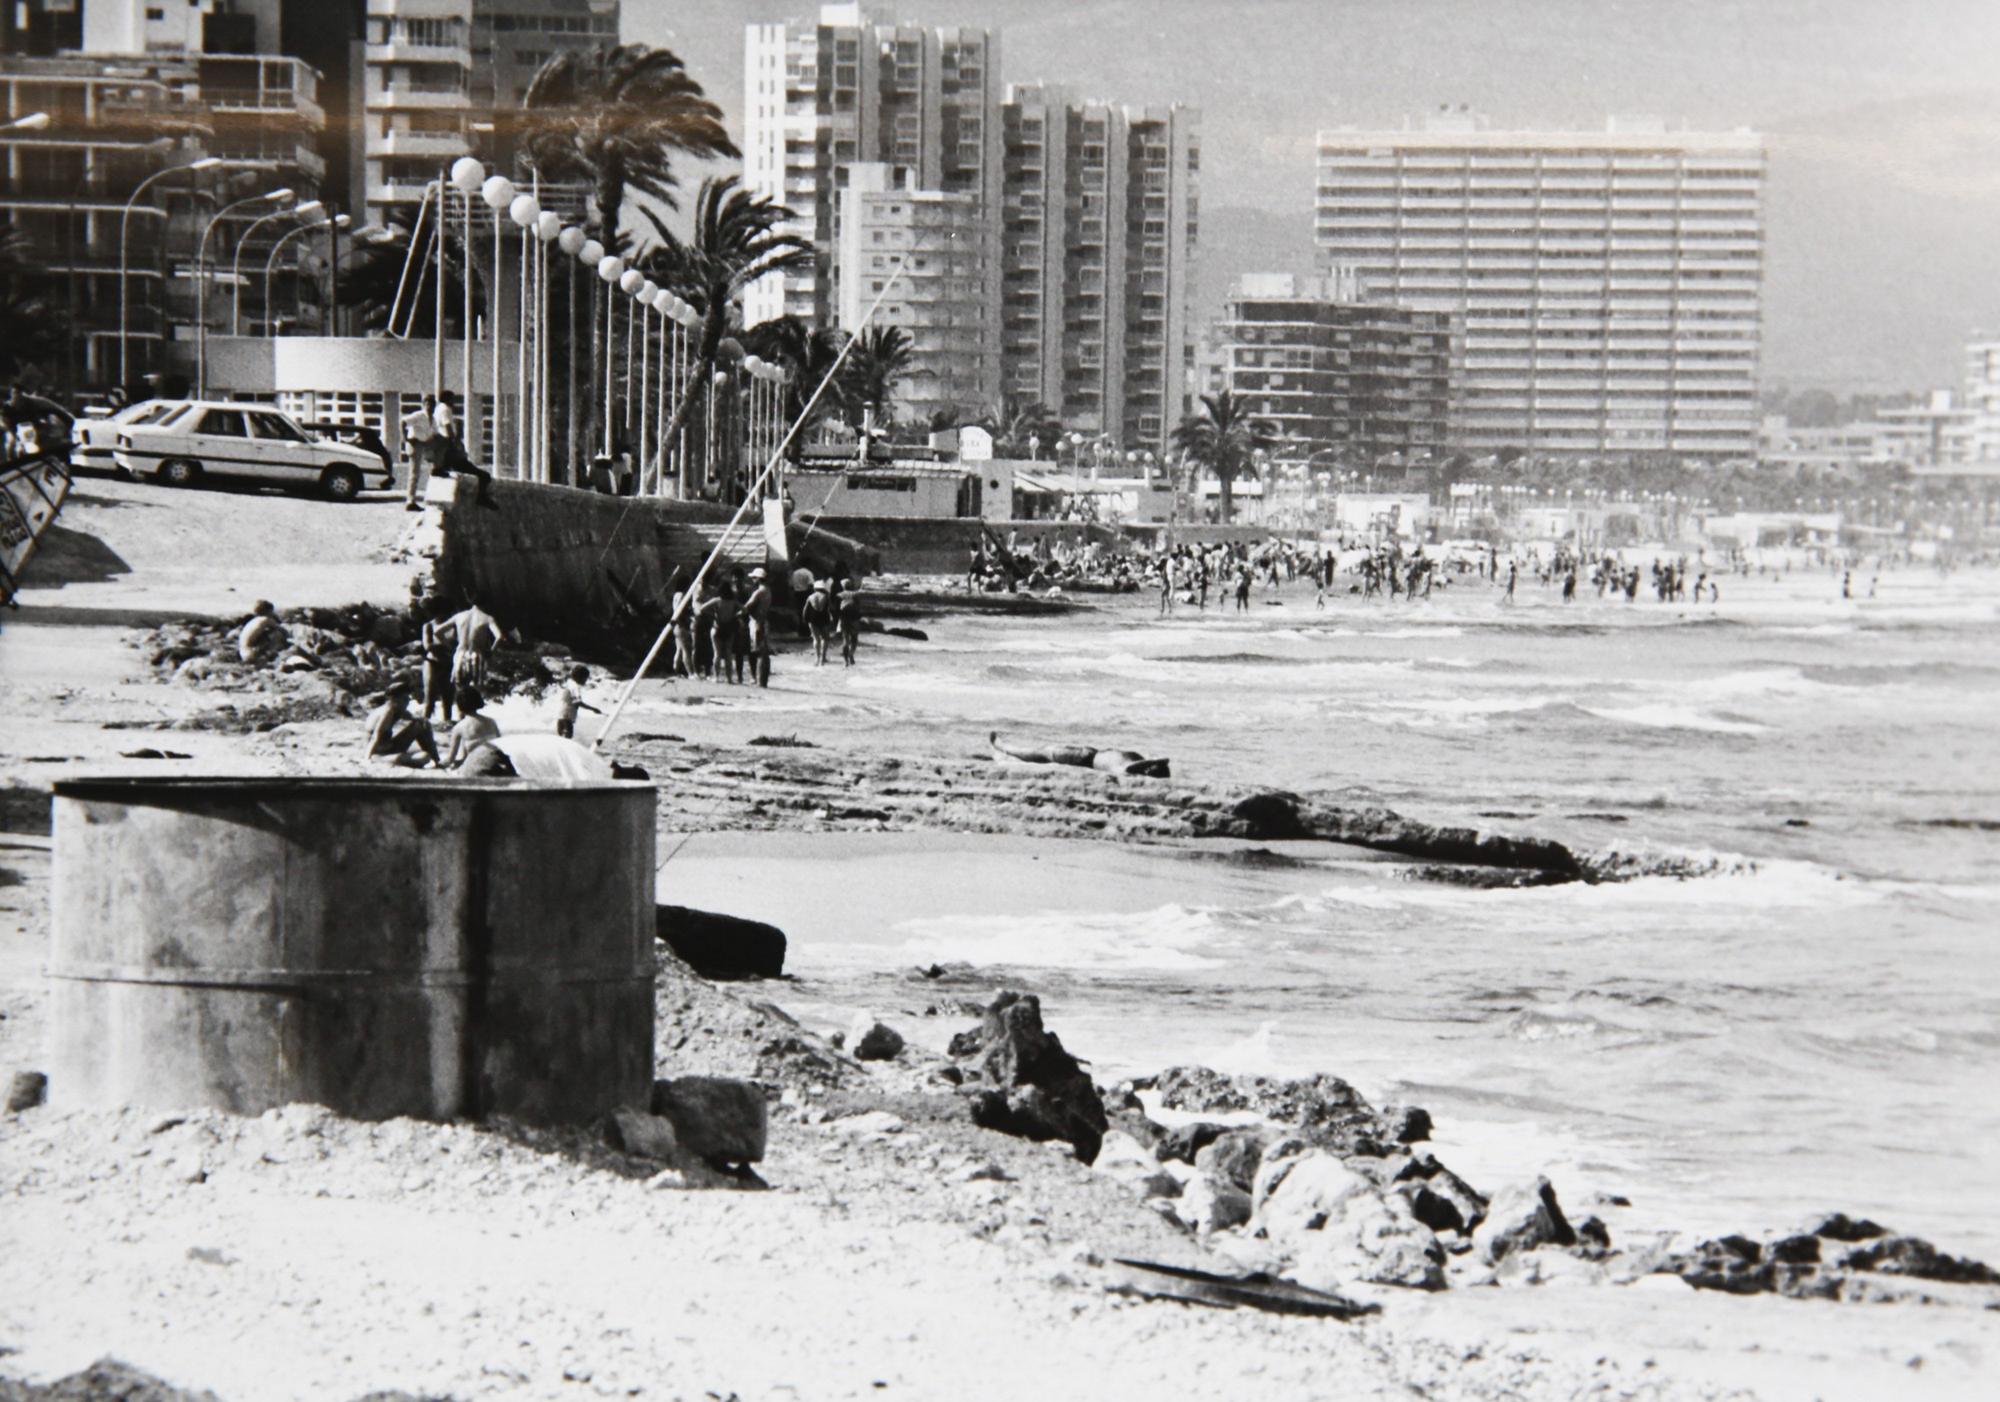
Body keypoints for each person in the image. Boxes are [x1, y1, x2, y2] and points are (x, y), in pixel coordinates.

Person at [365, 679, 441, 767]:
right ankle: (434, 760)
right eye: (405, 699)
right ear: (395, 699)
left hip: (389, 748)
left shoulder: (394, 708)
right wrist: (367, 759)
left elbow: (414, 718)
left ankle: (436, 760)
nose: (408, 701)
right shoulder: (387, 712)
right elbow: (375, 736)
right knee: (424, 757)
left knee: (421, 724)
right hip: (379, 755)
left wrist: (422, 721)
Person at [444, 685, 513, 775]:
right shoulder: (492, 722)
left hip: (477, 767)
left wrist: (437, 764)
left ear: (459, 705)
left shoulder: (459, 727)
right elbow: (500, 747)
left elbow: (450, 759)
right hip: (496, 765)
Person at [446, 597, 502, 692]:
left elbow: (438, 631)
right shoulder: (487, 618)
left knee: (460, 690)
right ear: (486, 604)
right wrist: (491, 652)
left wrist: (449, 645)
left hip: (460, 654)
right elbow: (499, 636)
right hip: (477, 654)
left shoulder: (459, 616)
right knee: (476, 690)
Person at [419, 610, 458, 725]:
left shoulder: (453, 626)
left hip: (449, 663)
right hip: (433, 662)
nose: (443, 615)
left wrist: (443, 647)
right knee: (430, 695)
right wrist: (447, 647)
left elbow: (458, 643)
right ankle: (424, 722)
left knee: (448, 696)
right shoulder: (429, 626)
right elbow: (428, 646)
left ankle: (446, 722)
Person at [400, 395, 437, 511]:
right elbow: (403, 422)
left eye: (432, 404)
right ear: (424, 404)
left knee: (434, 468)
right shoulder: (419, 415)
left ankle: (431, 497)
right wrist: (406, 439)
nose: (430, 407)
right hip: (415, 444)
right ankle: (410, 501)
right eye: (428, 404)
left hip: (425, 445)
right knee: (414, 473)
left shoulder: (433, 419)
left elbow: (434, 433)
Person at [742, 567, 773, 688]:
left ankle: (759, 680)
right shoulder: (768, 590)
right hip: (764, 621)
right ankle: (762, 680)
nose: (752, 580)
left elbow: (747, 607)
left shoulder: (759, 592)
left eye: (754, 578)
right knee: (763, 652)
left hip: (756, 622)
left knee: (758, 652)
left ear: (758, 579)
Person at [554, 665, 600, 739]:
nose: (586, 681)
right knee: (567, 738)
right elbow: (577, 702)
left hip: (561, 714)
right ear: (580, 677)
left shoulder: (569, 684)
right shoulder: (575, 687)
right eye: (585, 679)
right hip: (567, 716)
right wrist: (593, 709)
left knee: (561, 738)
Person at [800, 578, 835, 666]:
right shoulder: (826, 596)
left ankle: (817, 658)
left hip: (813, 619)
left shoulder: (810, 597)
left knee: (816, 639)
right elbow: (831, 608)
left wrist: (805, 619)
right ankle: (823, 658)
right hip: (824, 618)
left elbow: (805, 610)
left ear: (815, 588)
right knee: (825, 638)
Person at [836, 579, 862, 667]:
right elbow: (859, 607)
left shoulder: (839, 595)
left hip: (843, 619)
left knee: (845, 640)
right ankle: (851, 654)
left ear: (843, 586)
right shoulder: (856, 594)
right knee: (854, 639)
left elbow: (835, 609)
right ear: (851, 585)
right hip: (854, 619)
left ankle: (845, 661)